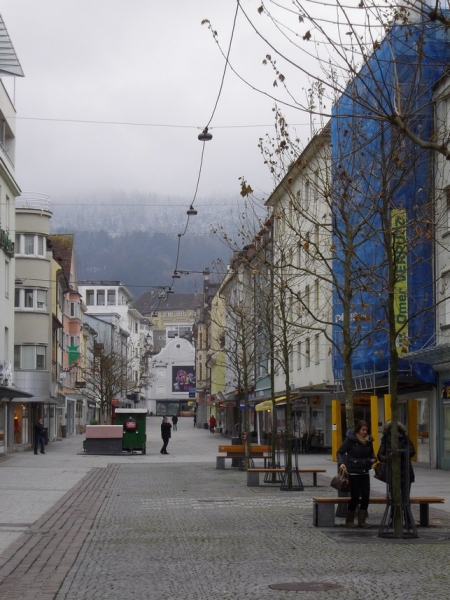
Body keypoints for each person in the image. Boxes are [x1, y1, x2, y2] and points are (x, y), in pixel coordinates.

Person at [337, 420, 377, 528]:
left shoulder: (369, 440)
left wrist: (373, 458)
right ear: (358, 430)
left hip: (364, 470)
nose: (365, 432)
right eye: (363, 430)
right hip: (353, 471)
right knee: (354, 497)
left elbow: (371, 452)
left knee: (365, 496)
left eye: (366, 430)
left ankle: (361, 521)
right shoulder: (350, 440)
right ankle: (349, 520)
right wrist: (341, 463)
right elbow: (340, 451)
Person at [377, 420, 415, 498]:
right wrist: (387, 457)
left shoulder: (405, 438)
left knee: (405, 497)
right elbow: (380, 454)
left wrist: (399, 452)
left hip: (406, 471)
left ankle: (406, 510)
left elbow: (412, 451)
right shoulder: (385, 439)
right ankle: (394, 510)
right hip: (392, 472)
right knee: (394, 497)